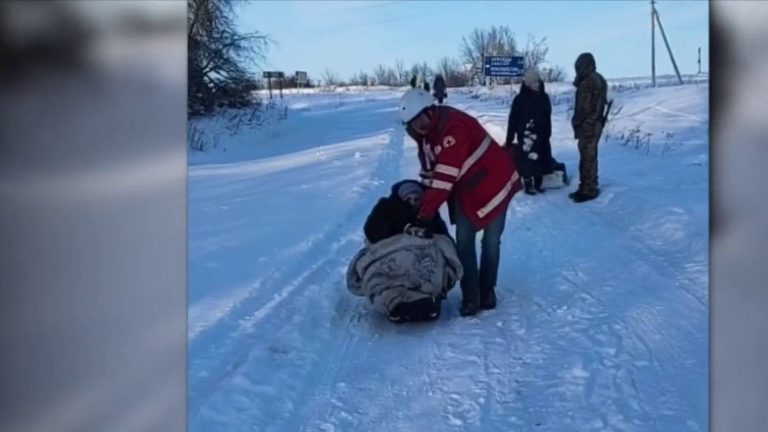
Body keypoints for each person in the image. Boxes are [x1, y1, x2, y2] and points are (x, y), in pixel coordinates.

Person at [398, 88, 522, 316]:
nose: (418, 125)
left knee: (491, 241)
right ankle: (470, 297)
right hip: (469, 189)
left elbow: (444, 180)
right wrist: (419, 206)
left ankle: (487, 291)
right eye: (412, 123)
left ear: (429, 110)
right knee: (464, 241)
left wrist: (425, 216)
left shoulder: (452, 129)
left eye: (420, 118)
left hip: (495, 182)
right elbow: (430, 176)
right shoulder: (426, 138)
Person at [505, 67, 553, 195]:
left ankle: (538, 183)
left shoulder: (544, 98)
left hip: (542, 134)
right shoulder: (520, 99)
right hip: (526, 134)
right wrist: (509, 138)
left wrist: (548, 132)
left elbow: (548, 116)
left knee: (541, 158)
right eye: (533, 83)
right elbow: (513, 119)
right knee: (526, 160)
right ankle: (528, 184)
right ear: (528, 84)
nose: (536, 85)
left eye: (538, 82)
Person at [570, 52, 607, 203]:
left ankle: (588, 189)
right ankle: (587, 186)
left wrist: (576, 122)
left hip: (588, 125)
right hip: (596, 123)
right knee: (590, 157)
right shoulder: (600, 79)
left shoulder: (587, 83)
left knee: (587, 158)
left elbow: (582, 109)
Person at [364, 179, 449, 244]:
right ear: (401, 198)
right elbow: (373, 231)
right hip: (392, 246)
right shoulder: (386, 206)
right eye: (408, 199)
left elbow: (441, 233)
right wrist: (405, 229)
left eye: (416, 199)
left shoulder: (428, 208)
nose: (413, 203)